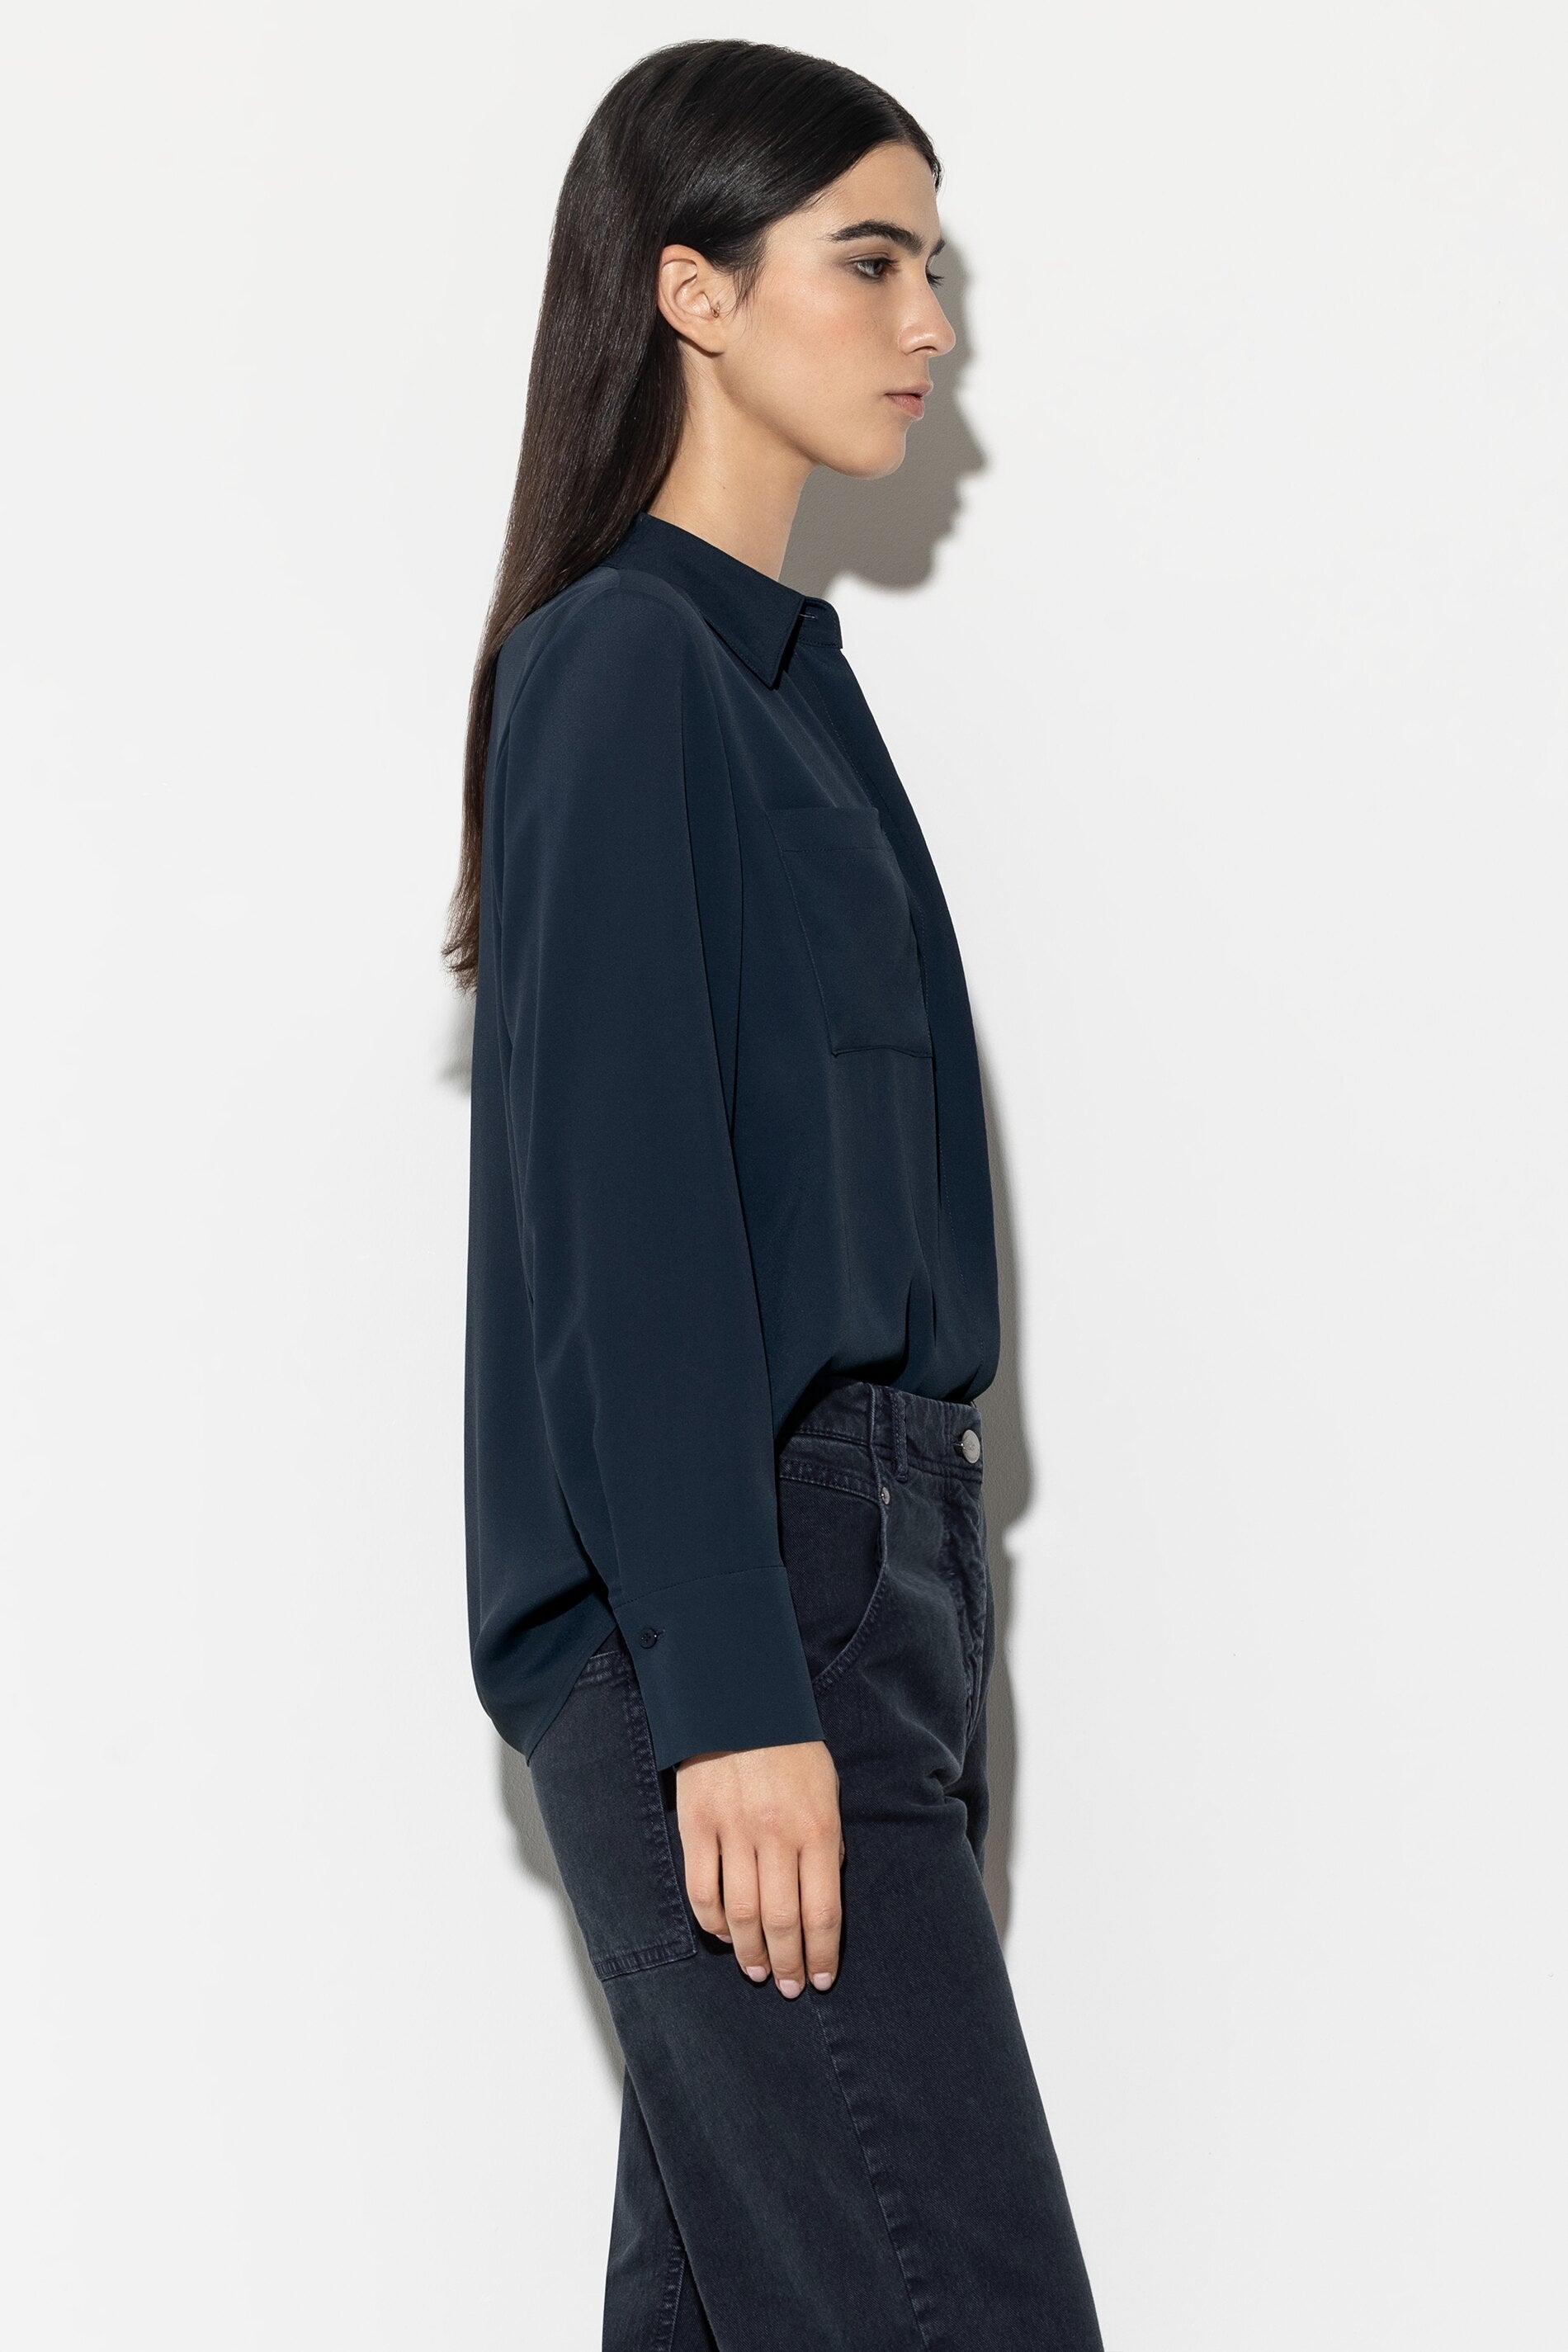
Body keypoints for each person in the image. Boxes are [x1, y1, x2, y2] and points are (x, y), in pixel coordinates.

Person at [446, 37, 1107, 2352]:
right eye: (873, 261)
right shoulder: (625, 665)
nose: (930, 326)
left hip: (874, 1592)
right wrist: (732, 1687)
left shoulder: (787, 683)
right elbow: (628, 1228)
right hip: (747, 1610)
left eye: (935, 271)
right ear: (694, 292)